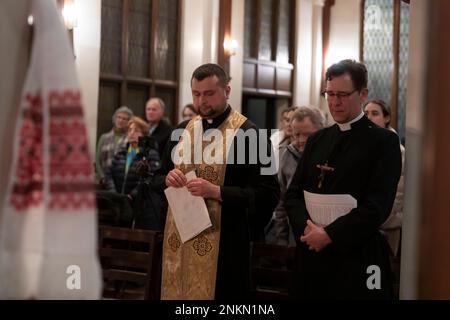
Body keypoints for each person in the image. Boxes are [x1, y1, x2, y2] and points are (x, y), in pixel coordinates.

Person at [157, 63, 279, 299]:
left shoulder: (251, 134)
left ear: (227, 91)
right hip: (180, 241)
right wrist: (167, 178)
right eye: (196, 94)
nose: (202, 101)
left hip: (226, 246)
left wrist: (217, 191)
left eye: (209, 93)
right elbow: (157, 176)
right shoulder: (181, 131)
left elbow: (269, 193)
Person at [285, 59, 401, 299]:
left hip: (358, 257)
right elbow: (293, 194)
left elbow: (377, 206)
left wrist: (330, 235)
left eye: (343, 95)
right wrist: (310, 231)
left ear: (363, 94)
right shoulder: (318, 139)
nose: (334, 102)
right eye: (329, 94)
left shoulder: (383, 142)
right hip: (312, 252)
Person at [265, 106, 325, 247]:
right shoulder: (288, 154)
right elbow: (282, 201)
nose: (301, 140)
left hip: (324, 233)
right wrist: (281, 238)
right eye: (296, 134)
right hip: (295, 234)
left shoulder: (329, 154)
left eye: (307, 135)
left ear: (322, 130)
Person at [104, 116, 162, 230]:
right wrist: (113, 194)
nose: (131, 133)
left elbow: (150, 178)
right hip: (118, 201)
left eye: (136, 130)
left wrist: (131, 195)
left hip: (138, 204)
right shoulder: (121, 153)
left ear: (144, 134)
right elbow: (109, 174)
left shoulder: (150, 154)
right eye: (129, 130)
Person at [364, 99, 405, 258]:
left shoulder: (396, 149)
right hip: (363, 221)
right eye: (366, 113)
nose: (369, 117)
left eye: (375, 113)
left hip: (385, 222)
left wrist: (376, 218)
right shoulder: (363, 143)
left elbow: (398, 192)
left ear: (386, 118)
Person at [95, 106, 133, 183]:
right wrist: (103, 177)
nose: (121, 120)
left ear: (129, 122)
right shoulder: (104, 137)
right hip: (104, 180)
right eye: (119, 117)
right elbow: (97, 160)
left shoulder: (130, 139)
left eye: (124, 119)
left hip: (122, 181)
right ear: (114, 119)